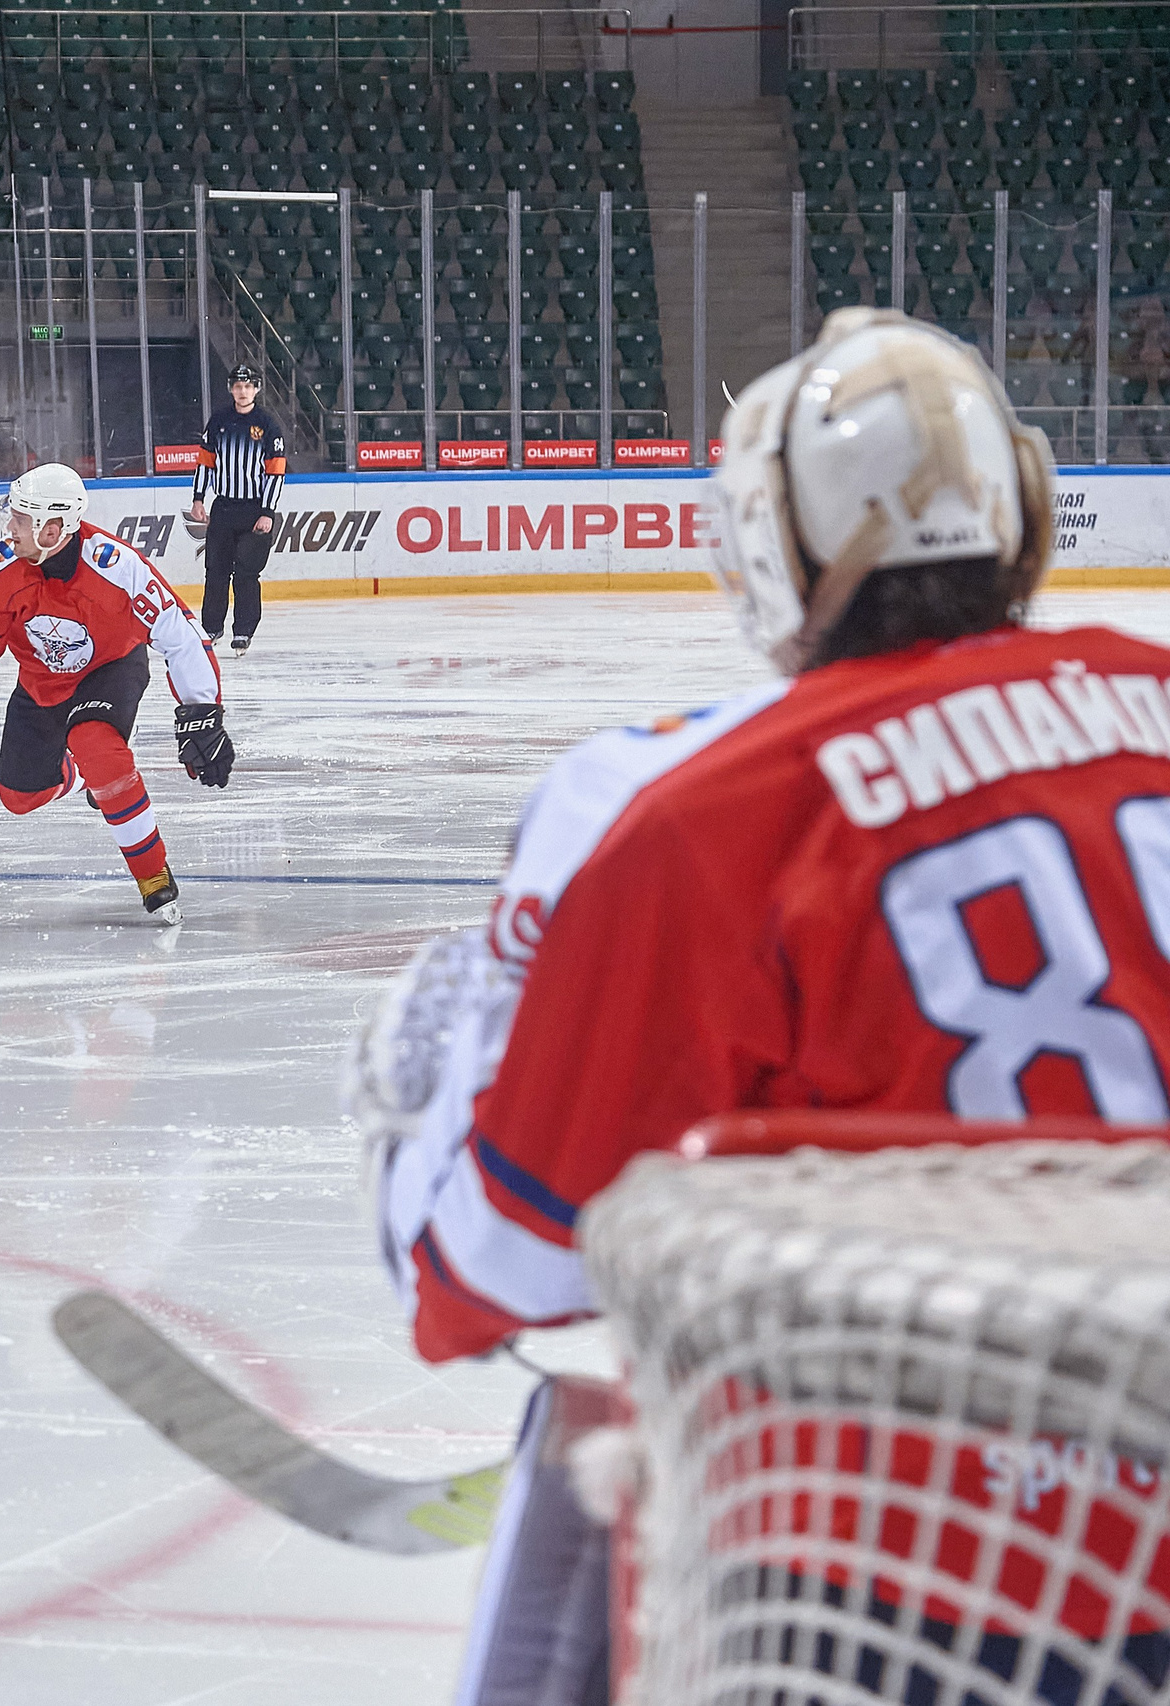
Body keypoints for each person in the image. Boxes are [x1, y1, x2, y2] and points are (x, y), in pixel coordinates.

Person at [351, 308, 1170, 1698]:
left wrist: (417, 1131)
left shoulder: (706, 827)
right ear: (1023, 510)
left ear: (773, 545)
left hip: (907, 1574)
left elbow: (496, 1273)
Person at [0, 463, 236, 926]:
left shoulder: (117, 568)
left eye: (20, 520)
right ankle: (69, 773)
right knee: (18, 795)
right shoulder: (1, 567)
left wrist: (202, 710)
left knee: (97, 745)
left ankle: (152, 876)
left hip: (109, 671)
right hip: (40, 685)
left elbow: (179, 632)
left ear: (53, 529)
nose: (10, 527)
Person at [187, 364, 285, 653]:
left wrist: (268, 511)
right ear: (231, 388)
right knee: (215, 570)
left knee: (246, 573)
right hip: (224, 508)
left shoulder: (268, 424)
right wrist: (198, 498)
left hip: (254, 510)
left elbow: (276, 472)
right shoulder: (218, 420)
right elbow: (205, 462)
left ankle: (243, 631)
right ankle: (211, 627)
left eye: (248, 386)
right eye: (237, 386)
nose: (242, 392)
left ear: (256, 389)